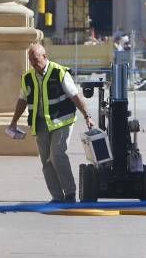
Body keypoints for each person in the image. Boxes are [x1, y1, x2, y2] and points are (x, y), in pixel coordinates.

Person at [8, 44, 96, 203]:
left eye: (36, 59)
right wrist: (13, 122)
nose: (34, 63)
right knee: (46, 161)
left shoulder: (59, 72)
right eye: (31, 60)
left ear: (45, 56)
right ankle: (57, 197)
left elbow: (75, 96)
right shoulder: (28, 77)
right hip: (41, 123)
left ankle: (70, 193)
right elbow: (22, 100)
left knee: (57, 155)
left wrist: (87, 116)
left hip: (62, 121)